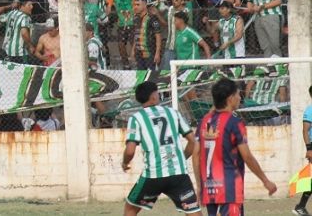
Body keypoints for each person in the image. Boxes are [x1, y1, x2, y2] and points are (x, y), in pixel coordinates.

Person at [194, 78, 277, 216]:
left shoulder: (205, 122)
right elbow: (247, 157)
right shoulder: (235, 123)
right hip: (229, 187)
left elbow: (196, 155)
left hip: (209, 187)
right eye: (238, 94)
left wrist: (199, 185)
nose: (240, 98)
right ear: (230, 98)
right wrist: (265, 180)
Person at [122, 81, 200, 216]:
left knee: (130, 209)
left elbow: (130, 151)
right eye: (157, 92)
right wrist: (181, 158)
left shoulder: (136, 118)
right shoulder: (172, 113)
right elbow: (192, 141)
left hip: (153, 176)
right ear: (153, 97)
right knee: (193, 212)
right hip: (178, 175)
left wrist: (125, 162)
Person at [296, 84, 312, 215]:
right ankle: (300, 206)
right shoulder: (310, 110)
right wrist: (309, 149)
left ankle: (300, 206)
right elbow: (305, 130)